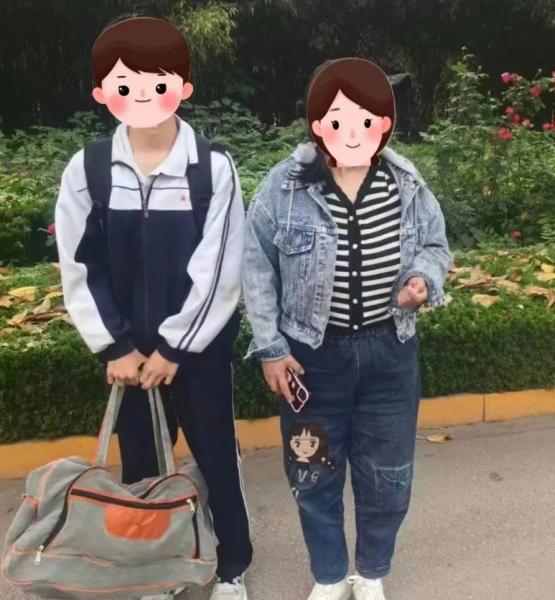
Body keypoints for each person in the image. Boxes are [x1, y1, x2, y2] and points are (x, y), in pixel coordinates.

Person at [55, 17, 251, 600]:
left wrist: (174, 347)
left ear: (182, 87)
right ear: (102, 93)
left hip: (198, 351)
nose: (141, 95)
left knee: (216, 457)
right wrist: (115, 346)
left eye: (156, 82)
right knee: (141, 466)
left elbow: (220, 268)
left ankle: (233, 566)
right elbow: (79, 265)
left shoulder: (211, 168)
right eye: (125, 84)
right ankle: (156, 570)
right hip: (127, 357)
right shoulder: (88, 170)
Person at [242, 57, 452, 600]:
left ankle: (372, 571)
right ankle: (330, 575)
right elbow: (256, 266)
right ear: (317, 124)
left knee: (388, 476)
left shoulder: (406, 183)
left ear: (385, 122)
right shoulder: (285, 186)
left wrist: (423, 279)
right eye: (338, 120)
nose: (352, 132)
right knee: (312, 471)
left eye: (367, 119)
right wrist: (270, 348)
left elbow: (436, 245)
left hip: (389, 353)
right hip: (311, 359)